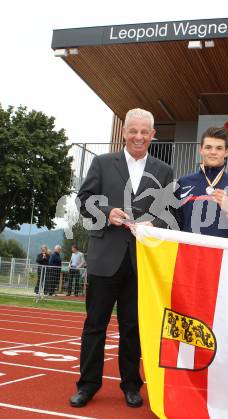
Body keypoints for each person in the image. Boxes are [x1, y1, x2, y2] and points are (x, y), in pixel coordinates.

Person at [70, 108, 174, 409]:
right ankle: (87, 385)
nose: (138, 136)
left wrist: (156, 223)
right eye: (133, 130)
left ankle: (131, 385)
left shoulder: (164, 170)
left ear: (153, 135)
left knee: (133, 327)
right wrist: (106, 213)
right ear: (124, 133)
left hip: (142, 261)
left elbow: (170, 213)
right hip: (105, 257)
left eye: (145, 131)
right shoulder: (102, 163)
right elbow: (84, 199)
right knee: (95, 326)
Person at [174, 126, 228, 238]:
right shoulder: (184, 182)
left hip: (221, 253)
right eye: (208, 147)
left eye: (219, 148)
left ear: (226, 152)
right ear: (201, 150)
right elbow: (174, 223)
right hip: (188, 252)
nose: (213, 152)